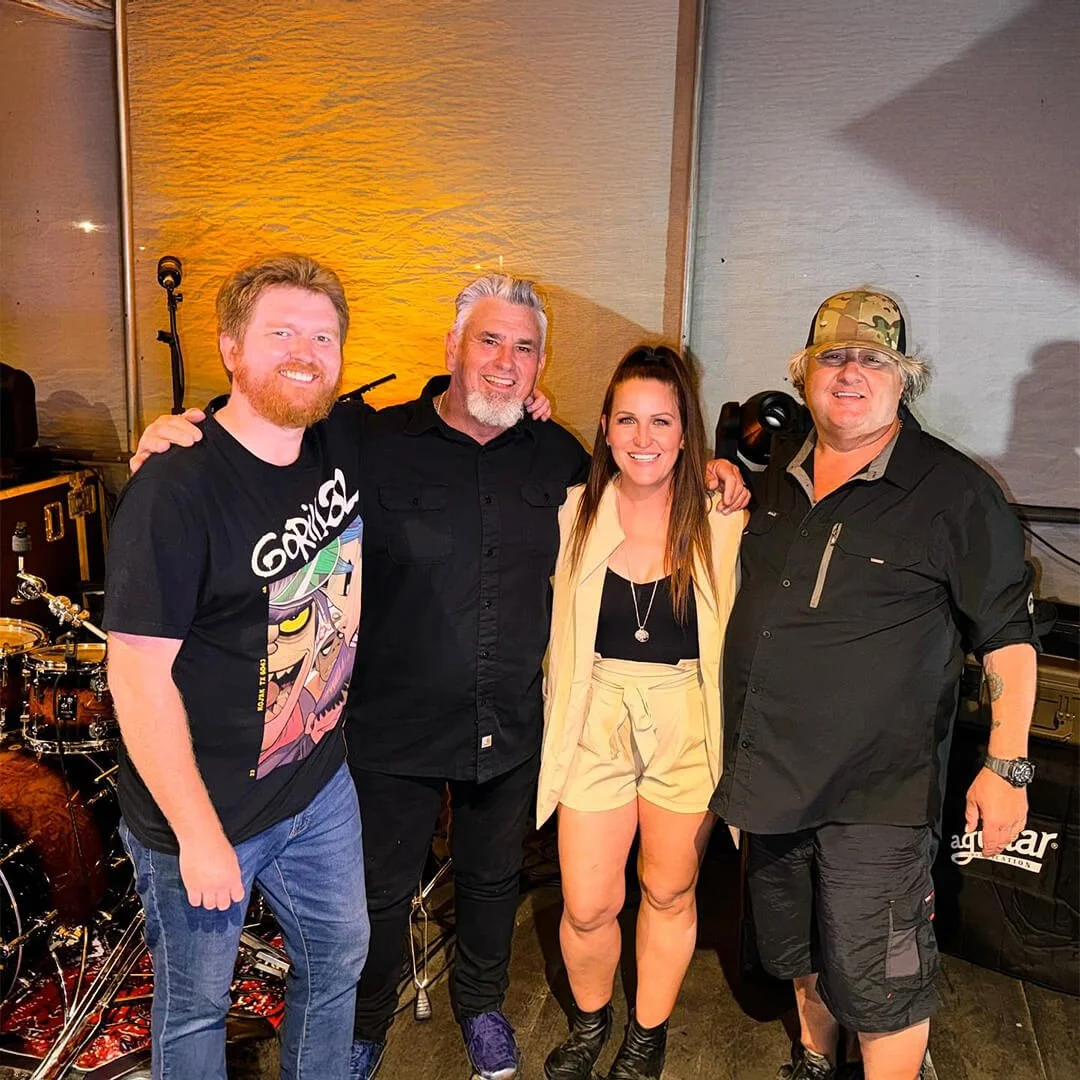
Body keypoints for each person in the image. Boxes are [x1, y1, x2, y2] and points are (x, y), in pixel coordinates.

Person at [131, 275, 749, 1080]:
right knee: (378, 899)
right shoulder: (371, 440)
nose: (505, 362)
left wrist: (715, 466)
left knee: (492, 885)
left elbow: (644, 470)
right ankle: (364, 1024)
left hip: (512, 722)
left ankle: (483, 1008)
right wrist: (189, 428)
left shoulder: (561, 455)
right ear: (452, 347)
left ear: (541, 365)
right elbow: (273, 426)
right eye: (488, 340)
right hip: (394, 727)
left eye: (524, 348)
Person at [711, 289, 1039, 1080]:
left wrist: (1007, 766)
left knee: (881, 984)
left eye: (873, 359)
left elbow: (1007, 639)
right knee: (801, 954)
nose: (850, 373)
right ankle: (817, 1059)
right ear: (804, 374)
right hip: (773, 785)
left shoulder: (954, 491)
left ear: (904, 378)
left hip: (877, 801)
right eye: (832, 356)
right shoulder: (780, 483)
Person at [105, 254, 371, 1080]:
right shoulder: (176, 490)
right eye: (280, 331)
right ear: (229, 348)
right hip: (207, 814)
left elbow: (466, 409)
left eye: (322, 335)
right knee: (196, 1013)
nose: (305, 350)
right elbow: (137, 678)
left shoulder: (335, 441)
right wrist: (197, 835)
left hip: (316, 785)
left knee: (337, 967)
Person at [538, 345, 744, 1080]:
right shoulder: (570, 512)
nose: (644, 436)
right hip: (594, 708)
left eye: (662, 420)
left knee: (668, 886)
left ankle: (647, 1033)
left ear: (687, 433)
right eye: (627, 418)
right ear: (603, 427)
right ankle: (591, 1021)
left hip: (687, 711)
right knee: (589, 901)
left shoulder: (724, 517)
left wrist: (732, 477)